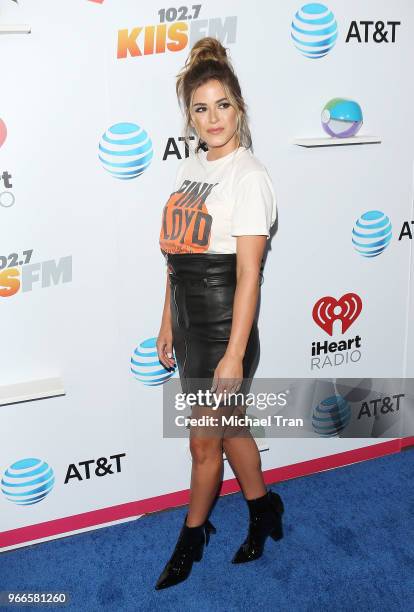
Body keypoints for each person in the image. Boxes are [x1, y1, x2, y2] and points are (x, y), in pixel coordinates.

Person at [155, 36, 284, 590]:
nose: (212, 118)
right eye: (200, 108)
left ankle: (192, 535)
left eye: (222, 105)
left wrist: (233, 353)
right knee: (232, 433)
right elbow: (176, 254)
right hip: (188, 324)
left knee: (203, 442)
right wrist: (166, 322)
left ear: (240, 107)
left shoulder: (249, 177)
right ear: (189, 115)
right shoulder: (192, 170)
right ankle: (264, 508)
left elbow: (250, 273)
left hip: (224, 329)